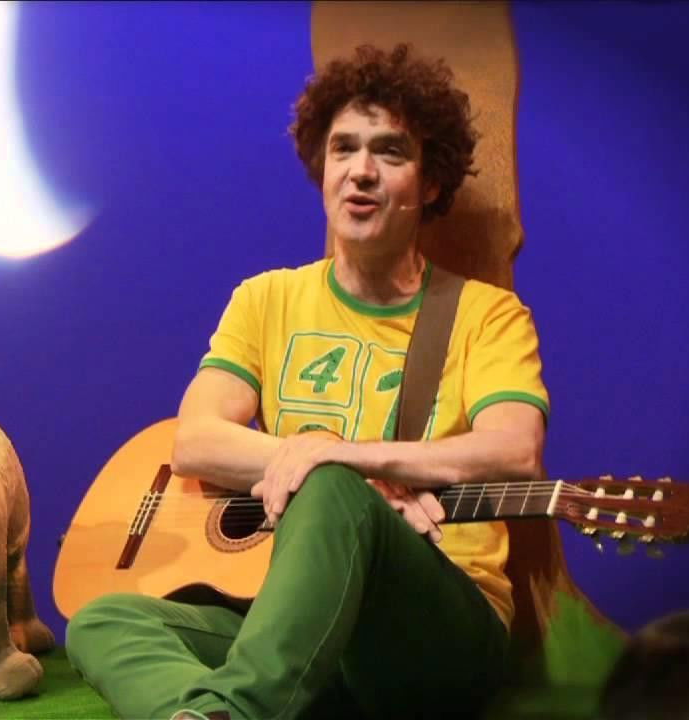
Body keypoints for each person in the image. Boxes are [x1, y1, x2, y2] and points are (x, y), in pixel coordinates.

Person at [65, 44, 549, 720]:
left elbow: (514, 449)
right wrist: (317, 462)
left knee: (330, 481)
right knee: (104, 620)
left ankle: (239, 709)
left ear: (431, 183)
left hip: (437, 629)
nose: (361, 171)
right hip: (297, 627)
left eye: (390, 152)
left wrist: (345, 462)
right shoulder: (266, 299)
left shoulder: (487, 315)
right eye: (343, 148)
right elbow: (195, 441)